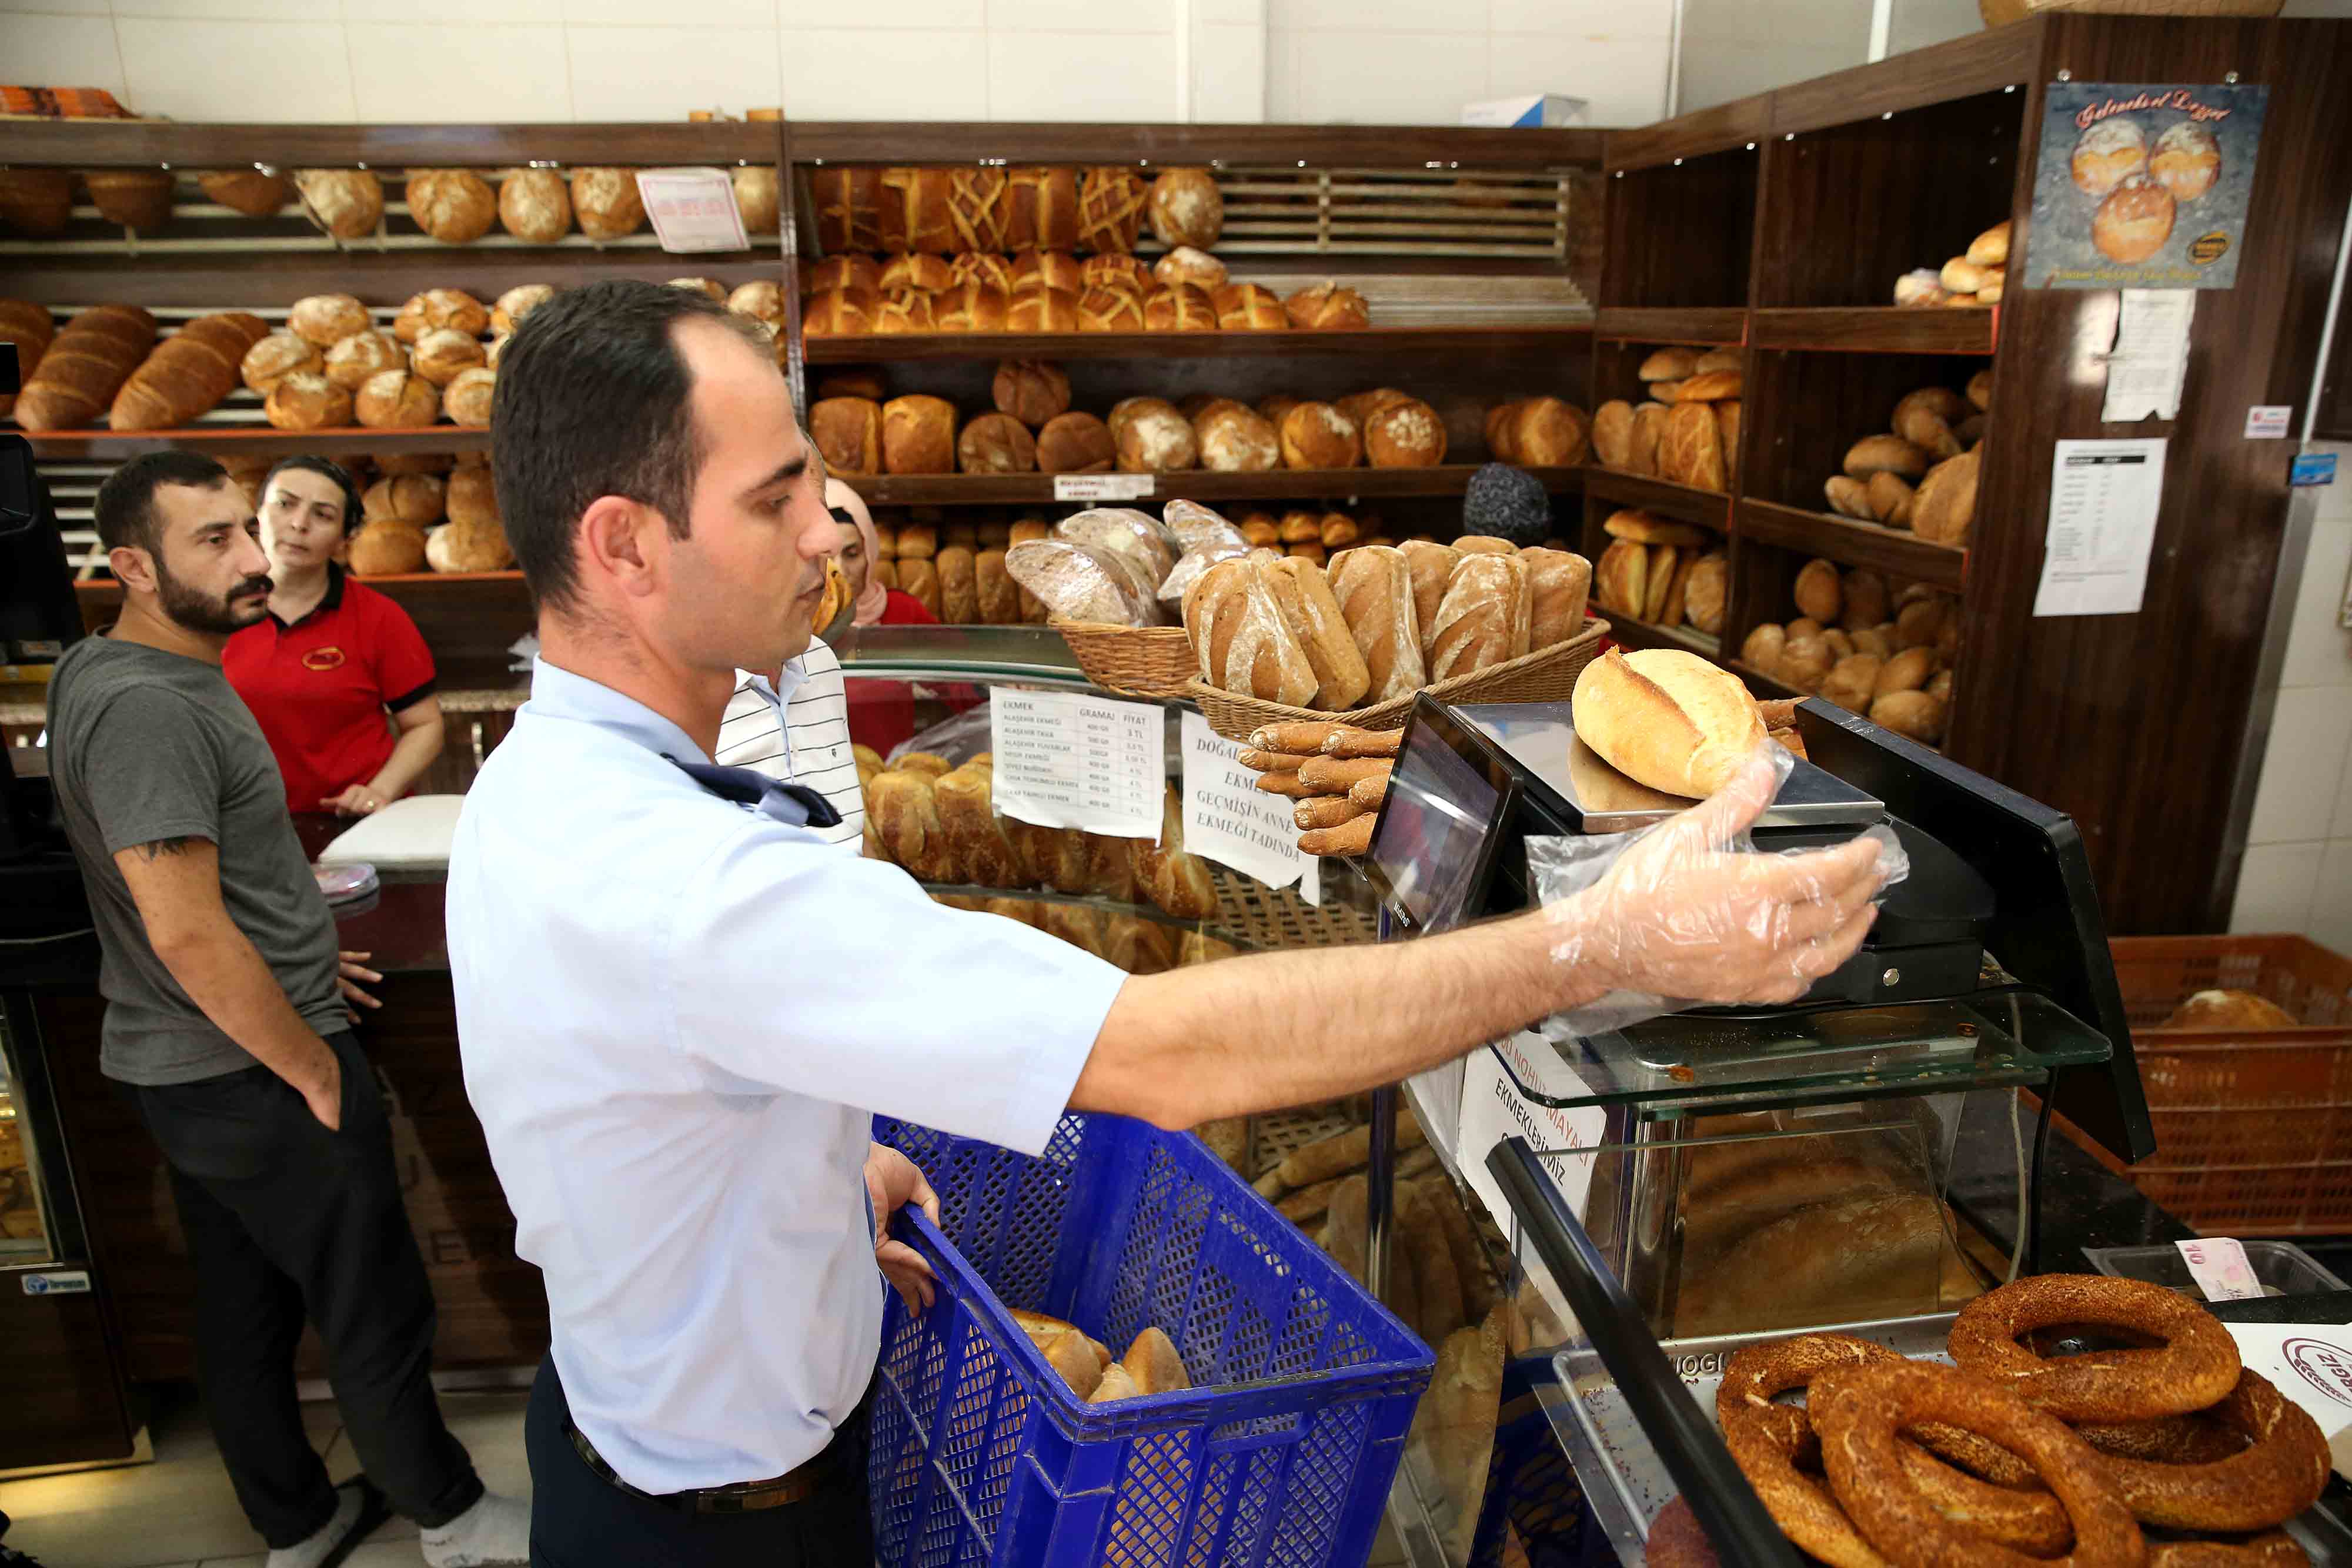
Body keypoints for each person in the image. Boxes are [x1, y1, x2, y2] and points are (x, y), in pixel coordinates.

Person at [448, 280, 1883, 1563]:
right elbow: (1162, 1057)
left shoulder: (544, 781)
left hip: (620, 1437)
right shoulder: (688, 884)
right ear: (624, 548)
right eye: (775, 497)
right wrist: (1604, 941)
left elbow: (638, 1090)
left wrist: (812, 1189)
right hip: (721, 1535)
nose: (826, 527)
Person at [45, 452, 530, 1568]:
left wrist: (298, 942)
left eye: (245, 528)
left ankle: (298, 1525)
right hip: (250, 1073)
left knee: (247, 1310)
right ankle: (450, 1519)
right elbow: (183, 927)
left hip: (198, 1065)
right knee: (373, 1302)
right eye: (214, 541)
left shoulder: (115, 667)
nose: (258, 558)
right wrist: (310, 1061)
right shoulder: (145, 709)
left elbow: (204, 889)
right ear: (134, 566)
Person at [223, 456, 445, 818]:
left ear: (344, 541)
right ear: (256, 517)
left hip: (355, 827)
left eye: (323, 515)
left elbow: (425, 724)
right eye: (285, 504)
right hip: (245, 826)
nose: (299, 524)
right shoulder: (214, 614)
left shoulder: (379, 618)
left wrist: (379, 792)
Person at [708, 480, 864, 848]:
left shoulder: (819, 661)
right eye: (779, 507)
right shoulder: (684, 684)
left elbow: (849, 834)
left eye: (820, 507)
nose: (828, 541)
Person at [828, 481, 939, 757]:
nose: (840, 569)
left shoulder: (902, 612)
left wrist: (1010, 686)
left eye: (852, 554)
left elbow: (965, 681)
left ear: (870, 552)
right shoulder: (792, 622)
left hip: (889, 782)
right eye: (826, 556)